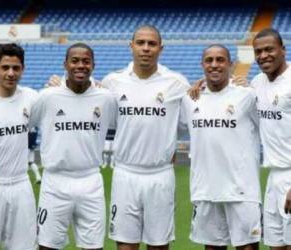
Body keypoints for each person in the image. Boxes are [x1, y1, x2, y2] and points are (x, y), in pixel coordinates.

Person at [102, 25, 190, 250]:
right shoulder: (113, 82)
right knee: (125, 245)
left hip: (160, 175)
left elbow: (197, 112)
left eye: (151, 44)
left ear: (161, 48)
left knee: (158, 245)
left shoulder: (176, 83)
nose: (146, 48)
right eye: (140, 43)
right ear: (131, 46)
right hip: (125, 173)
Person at [31, 43, 116, 250]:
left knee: (94, 247)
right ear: (65, 65)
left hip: (90, 182)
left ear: (93, 65)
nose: (80, 65)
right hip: (55, 181)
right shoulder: (47, 96)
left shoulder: (106, 98)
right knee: (47, 245)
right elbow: (26, 124)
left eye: (86, 61)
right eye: (75, 61)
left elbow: (119, 126)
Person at [180, 44, 261, 250]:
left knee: (248, 247)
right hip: (206, 191)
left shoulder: (247, 95)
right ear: (202, 65)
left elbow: (273, 126)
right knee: (212, 247)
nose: (214, 65)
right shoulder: (189, 99)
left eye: (220, 60)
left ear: (230, 65)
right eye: (209, 60)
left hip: (243, 192)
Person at [0, 43, 37, 249]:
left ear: (23, 69)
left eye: (16, 68)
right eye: (5, 67)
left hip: (21, 184)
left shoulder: (31, 98)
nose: (11, 73)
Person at [251, 28, 291, 249]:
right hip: (273, 177)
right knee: (276, 245)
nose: (263, 55)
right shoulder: (258, 82)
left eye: (269, 49)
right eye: (258, 51)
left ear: (283, 50)